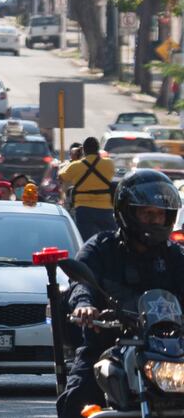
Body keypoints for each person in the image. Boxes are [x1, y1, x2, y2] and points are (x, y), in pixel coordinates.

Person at [57, 170, 184, 418]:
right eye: (148, 213)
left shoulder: (174, 255)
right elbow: (81, 283)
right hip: (109, 342)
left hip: (166, 347)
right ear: (127, 212)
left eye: (160, 214)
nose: (155, 220)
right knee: (77, 399)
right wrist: (85, 305)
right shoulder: (101, 248)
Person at [58, 137, 117, 242]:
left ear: (84, 150)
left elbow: (61, 176)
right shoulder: (109, 163)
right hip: (105, 209)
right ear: (98, 149)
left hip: (83, 209)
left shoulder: (75, 165)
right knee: (112, 239)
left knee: (85, 241)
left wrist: (74, 160)